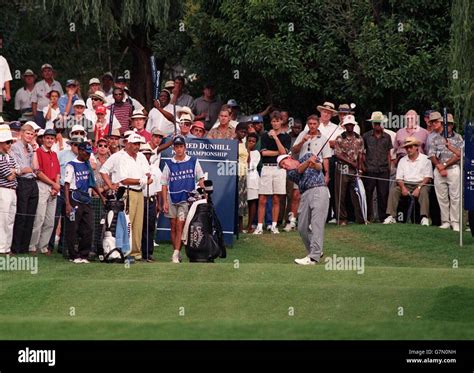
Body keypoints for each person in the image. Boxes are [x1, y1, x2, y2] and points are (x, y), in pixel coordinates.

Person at [101, 133, 151, 260]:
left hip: (140, 192)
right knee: (125, 222)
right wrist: (111, 185)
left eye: (138, 144)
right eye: (134, 144)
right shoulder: (118, 156)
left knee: (137, 224)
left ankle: (135, 253)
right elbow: (104, 171)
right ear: (127, 144)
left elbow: (148, 174)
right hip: (126, 192)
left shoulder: (141, 157)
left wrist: (146, 180)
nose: (137, 146)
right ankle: (123, 250)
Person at [278, 152, 329, 265]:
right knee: (302, 227)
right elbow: (299, 170)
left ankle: (313, 257)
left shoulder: (307, 155)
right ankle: (316, 251)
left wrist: (313, 164)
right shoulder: (290, 173)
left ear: (289, 158)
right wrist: (308, 162)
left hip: (319, 190)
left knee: (316, 224)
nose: (284, 167)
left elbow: (320, 167)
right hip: (305, 194)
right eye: (282, 166)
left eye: (283, 163)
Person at [161, 135, 205, 263]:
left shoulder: (193, 161)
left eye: (181, 146)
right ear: (174, 149)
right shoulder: (169, 164)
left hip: (186, 199)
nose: (179, 149)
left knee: (180, 224)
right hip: (172, 197)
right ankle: (177, 251)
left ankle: (175, 254)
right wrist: (164, 202)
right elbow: (164, 184)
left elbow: (201, 179)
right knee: (173, 226)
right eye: (177, 147)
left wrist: (205, 193)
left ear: (185, 148)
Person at [64, 142, 105, 263]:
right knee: (73, 227)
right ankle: (73, 255)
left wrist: (102, 196)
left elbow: (92, 182)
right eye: (86, 153)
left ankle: (84, 254)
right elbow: (66, 185)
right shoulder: (71, 165)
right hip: (74, 197)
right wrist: (67, 203)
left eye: (89, 153)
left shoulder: (87, 165)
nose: (88, 155)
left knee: (88, 228)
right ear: (80, 151)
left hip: (86, 198)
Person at [253, 111, 291, 235]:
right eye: (273, 121)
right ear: (271, 122)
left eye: (277, 121)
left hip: (280, 169)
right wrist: (278, 152)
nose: (275, 123)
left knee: (276, 198)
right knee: (263, 197)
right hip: (267, 167)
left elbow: (284, 152)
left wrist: (275, 138)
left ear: (281, 121)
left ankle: (274, 225)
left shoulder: (286, 137)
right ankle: (259, 226)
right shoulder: (264, 136)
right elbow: (264, 153)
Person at [384, 137, 433, 226]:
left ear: (416, 147)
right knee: (394, 190)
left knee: (424, 192)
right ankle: (391, 216)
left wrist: (418, 188)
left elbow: (428, 177)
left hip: (421, 183)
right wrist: (403, 188)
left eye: (410, 147)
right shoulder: (402, 160)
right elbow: (399, 178)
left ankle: (424, 217)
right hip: (406, 184)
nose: (408, 149)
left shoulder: (426, 159)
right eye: (407, 147)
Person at [428, 113, 463, 231]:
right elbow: (432, 154)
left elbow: (459, 155)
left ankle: (455, 221)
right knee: (442, 197)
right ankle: (446, 221)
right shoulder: (436, 138)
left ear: (452, 125)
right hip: (439, 170)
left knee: (455, 196)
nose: (447, 126)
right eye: (444, 124)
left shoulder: (458, 138)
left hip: (453, 169)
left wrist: (444, 165)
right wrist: (439, 166)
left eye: (449, 124)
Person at [29, 129, 61, 255]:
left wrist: (56, 186)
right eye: (47, 138)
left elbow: (58, 172)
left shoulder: (54, 154)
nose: (49, 140)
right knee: (39, 218)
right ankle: (32, 246)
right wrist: (53, 184)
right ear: (43, 139)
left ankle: (43, 246)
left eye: (52, 138)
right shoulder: (38, 152)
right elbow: (38, 172)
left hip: (53, 187)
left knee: (50, 220)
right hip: (42, 185)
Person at [10, 122, 39, 254]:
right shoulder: (15, 146)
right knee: (21, 215)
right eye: (27, 133)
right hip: (22, 182)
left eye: (32, 134)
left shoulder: (31, 148)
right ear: (21, 133)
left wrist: (35, 149)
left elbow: (36, 168)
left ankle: (24, 247)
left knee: (30, 215)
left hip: (32, 182)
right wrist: (27, 169)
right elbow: (20, 169)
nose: (29, 136)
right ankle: (15, 247)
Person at [334, 115, 365, 225]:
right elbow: (337, 154)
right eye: (347, 125)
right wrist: (351, 162)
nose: (350, 127)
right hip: (342, 169)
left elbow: (361, 154)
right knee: (340, 195)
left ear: (354, 125)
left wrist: (360, 167)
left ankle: (360, 218)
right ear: (344, 126)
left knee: (356, 194)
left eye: (351, 125)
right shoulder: (339, 138)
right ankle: (341, 219)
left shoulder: (359, 138)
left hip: (354, 171)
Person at [363, 111, 393, 222]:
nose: (377, 125)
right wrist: (363, 166)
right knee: (368, 193)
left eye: (379, 123)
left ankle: (382, 217)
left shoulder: (387, 137)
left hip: (383, 168)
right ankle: (368, 217)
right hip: (370, 168)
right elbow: (362, 153)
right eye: (375, 123)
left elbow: (388, 153)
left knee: (383, 194)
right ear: (372, 124)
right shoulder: (366, 136)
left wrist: (390, 168)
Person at [139, 143, 161, 262]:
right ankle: (138, 252)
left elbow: (159, 188)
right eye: (144, 154)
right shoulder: (136, 167)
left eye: (148, 154)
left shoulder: (155, 169)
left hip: (151, 199)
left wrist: (160, 203)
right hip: (140, 198)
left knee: (150, 227)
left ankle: (148, 252)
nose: (146, 156)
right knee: (139, 227)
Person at [0, 125, 18, 254]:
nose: (10, 144)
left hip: (12, 190)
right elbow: (10, 176)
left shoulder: (9, 157)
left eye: (10, 142)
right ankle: (2, 248)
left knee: (10, 220)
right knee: (3, 220)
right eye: (8, 142)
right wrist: (15, 171)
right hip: (4, 189)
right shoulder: (1, 157)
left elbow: (17, 169)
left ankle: (7, 247)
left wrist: (15, 171)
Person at [31, 64, 64, 128]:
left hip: (55, 112)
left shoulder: (57, 84)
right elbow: (34, 101)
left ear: (52, 72)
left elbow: (62, 99)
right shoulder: (38, 85)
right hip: (40, 113)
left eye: (49, 71)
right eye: (45, 71)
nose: (47, 73)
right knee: (40, 132)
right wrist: (36, 115)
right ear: (42, 74)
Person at [245, 132, 260, 233]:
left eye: (253, 141)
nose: (251, 143)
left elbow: (250, 165)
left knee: (252, 202)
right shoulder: (241, 150)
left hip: (252, 179)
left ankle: (250, 225)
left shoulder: (256, 153)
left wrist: (248, 150)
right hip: (243, 178)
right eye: (249, 141)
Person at [235, 122, 249, 232]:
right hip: (236, 174)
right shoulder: (233, 142)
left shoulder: (243, 143)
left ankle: (240, 227)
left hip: (244, 174)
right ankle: (236, 226)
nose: (243, 134)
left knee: (242, 201)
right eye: (241, 131)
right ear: (236, 131)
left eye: (245, 132)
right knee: (237, 200)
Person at [0, 33, 12, 114]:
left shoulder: (2, 60)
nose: (0, 46)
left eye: (0, 44)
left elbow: (6, 77)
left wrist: (8, 93)